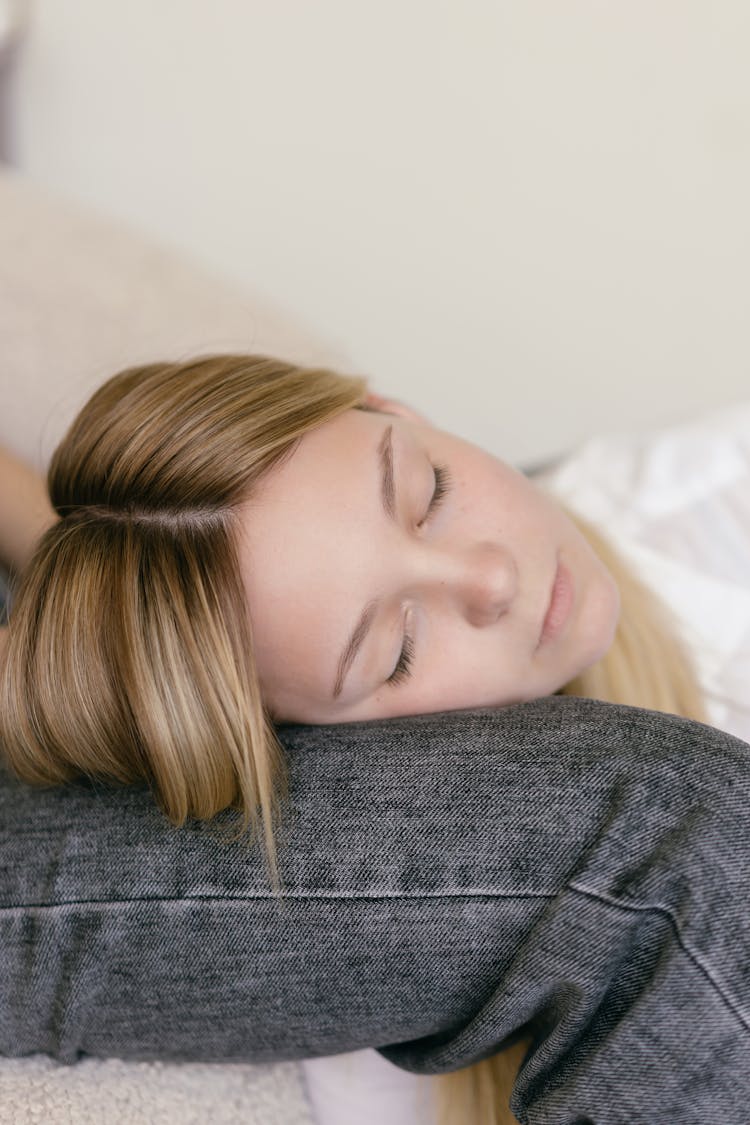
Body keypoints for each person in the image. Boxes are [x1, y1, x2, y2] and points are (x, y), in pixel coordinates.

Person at [0, 353, 736, 1125]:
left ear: (398, 409)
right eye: (399, 649)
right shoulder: (396, 1029)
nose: (491, 579)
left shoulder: (701, 493)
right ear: (346, 763)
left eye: (433, 492)